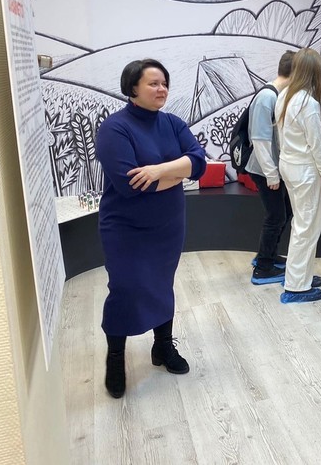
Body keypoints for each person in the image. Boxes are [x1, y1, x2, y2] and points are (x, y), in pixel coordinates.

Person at [96, 58, 207, 399]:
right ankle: (116, 358)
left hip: (168, 224)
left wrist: (158, 171)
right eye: (153, 83)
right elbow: (130, 184)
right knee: (125, 288)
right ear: (133, 88)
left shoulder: (172, 123)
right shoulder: (114, 128)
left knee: (161, 284)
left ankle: (162, 347)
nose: (162, 89)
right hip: (125, 227)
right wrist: (178, 173)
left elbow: (199, 163)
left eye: (164, 83)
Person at [274, 48, 321, 303]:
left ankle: (300, 275)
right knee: (307, 227)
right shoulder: (307, 103)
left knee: (302, 224)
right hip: (304, 170)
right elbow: (317, 145)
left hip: (289, 165)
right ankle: (297, 286)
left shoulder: (285, 95)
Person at [246, 49, 295, 285]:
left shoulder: (276, 95)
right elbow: (259, 139)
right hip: (265, 170)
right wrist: (271, 174)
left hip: (273, 168)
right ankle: (263, 267)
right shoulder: (267, 97)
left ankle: (269, 255)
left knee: (284, 213)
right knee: (276, 216)